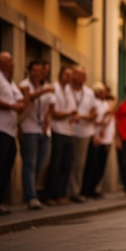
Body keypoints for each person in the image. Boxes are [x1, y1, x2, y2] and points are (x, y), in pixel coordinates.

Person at [0, 52, 24, 215]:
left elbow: (21, 101)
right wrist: (10, 106)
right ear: (1, 63)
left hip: (10, 132)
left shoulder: (9, 82)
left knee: (5, 167)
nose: (13, 64)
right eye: (10, 61)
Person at [19, 60, 55, 210]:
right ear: (30, 71)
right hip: (29, 128)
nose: (38, 74)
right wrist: (42, 92)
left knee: (41, 163)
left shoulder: (48, 87)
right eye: (34, 71)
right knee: (30, 163)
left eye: (40, 71)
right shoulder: (24, 84)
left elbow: (52, 106)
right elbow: (27, 100)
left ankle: (30, 190)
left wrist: (48, 119)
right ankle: (31, 197)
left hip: (44, 130)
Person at [45, 66, 77, 205]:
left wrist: (72, 115)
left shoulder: (70, 91)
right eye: (66, 75)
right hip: (57, 130)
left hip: (69, 131)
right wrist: (69, 114)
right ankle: (50, 195)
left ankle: (61, 194)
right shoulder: (54, 88)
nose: (69, 78)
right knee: (55, 164)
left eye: (70, 75)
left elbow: (73, 110)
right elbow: (54, 114)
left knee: (66, 164)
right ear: (60, 75)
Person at [81, 83, 116, 199]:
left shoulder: (106, 103)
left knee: (101, 165)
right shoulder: (94, 102)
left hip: (106, 138)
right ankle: (86, 189)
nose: (104, 93)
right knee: (92, 164)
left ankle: (94, 188)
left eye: (105, 91)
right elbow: (92, 119)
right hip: (95, 136)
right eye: (101, 91)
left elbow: (114, 102)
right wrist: (98, 128)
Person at [68, 66, 97, 203]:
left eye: (81, 74)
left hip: (84, 133)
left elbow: (94, 114)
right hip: (66, 130)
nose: (78, 77)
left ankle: (75, 191)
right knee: (64, 162)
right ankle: (62, 192)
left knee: (79, 164)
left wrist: (83, 117)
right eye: (76, 74)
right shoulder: (65, 89)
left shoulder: (89, 93)